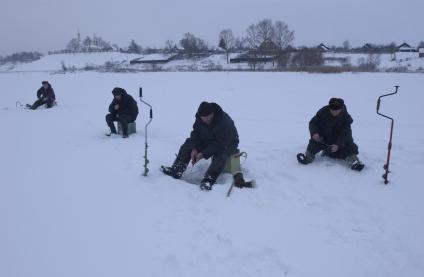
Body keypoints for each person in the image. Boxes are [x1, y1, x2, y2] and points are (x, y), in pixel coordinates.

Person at [161, 101, 239, 190]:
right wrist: (194, 148)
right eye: (203, 118)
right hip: (210, 138)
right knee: (189, 142)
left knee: (221, 153)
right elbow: (195, 133)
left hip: (228, 143)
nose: (204, 120)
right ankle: (177, 169)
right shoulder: (199, 118)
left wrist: (202, 154)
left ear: (212, 113)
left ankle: (209, 179)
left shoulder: (224, 122)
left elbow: (220, 144)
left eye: (207, 118)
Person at [297, 97, 365, 171]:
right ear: (329, 107)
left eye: (337, 109)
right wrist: (314, 133)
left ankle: (354, 162)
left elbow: (346, 134)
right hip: (323, 139)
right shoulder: (322, 112)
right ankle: (307, 158)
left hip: (338, 142)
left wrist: (337, 145)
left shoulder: (346, 118)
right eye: (332, 108)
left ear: (341, 108)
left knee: (349, 148)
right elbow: (313, 123)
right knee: (313, 144)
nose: (335, 111)